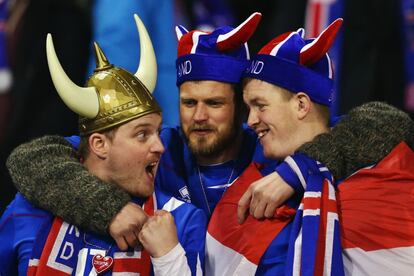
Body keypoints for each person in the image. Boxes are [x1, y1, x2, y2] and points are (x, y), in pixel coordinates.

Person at [5, 12, 280, 249]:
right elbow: (32, 158)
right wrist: (107, 207)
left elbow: (322, 146)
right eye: (188, 103)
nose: (199, 116)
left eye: (214, 103)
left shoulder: (270, 151)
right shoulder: (162, 147)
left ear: (242, 106)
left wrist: (297, 172)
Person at [0, 14, 206, 275]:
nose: (160, 146)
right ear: (99, 144)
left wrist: (169, 258)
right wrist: (108, 208)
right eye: (142, 134)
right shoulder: (27, 211)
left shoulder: (182, 221)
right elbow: (30, 156)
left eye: (157, 131)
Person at [209, 17, 414, 274]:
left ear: (302, 105)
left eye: (260, 105)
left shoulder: (373, 162)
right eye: (249, 108)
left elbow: (391, 120)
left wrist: (301, 168)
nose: (250, 121)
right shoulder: (253, 150)